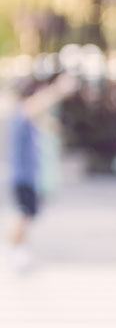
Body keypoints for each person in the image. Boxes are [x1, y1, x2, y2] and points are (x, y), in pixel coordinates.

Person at [7, 71, 77, 271]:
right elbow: (36, 106)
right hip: (24, 177)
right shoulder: (22, 114)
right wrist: (59, 89)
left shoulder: (29, 120)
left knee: (27, 215)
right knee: (24, 215)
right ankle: (15, 251)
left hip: (29, 177)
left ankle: (20, 251)